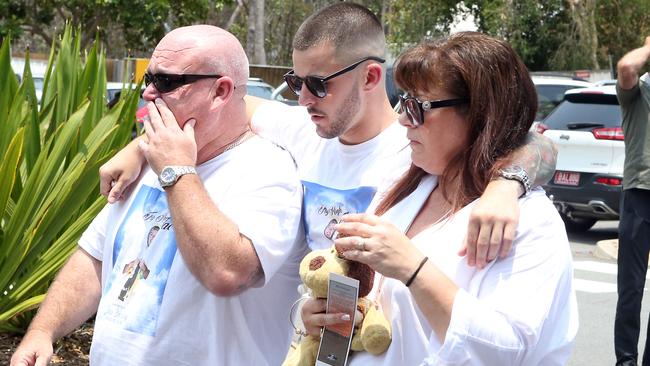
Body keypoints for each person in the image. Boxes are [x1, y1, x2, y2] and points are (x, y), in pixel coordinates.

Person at [99, 3, 558, 270]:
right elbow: (219, 107)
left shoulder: (419, 142)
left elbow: (531, 140)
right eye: (295, 82)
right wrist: (138, 147)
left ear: (370, 76)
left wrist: (506, 185)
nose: (303, 98)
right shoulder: (303, 129)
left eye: (318, 84)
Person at [10, 25, 305, 366]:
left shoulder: (267, 169)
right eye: (148, 79)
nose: (149, 93)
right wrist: (42, 332)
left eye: (166, 82)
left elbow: (228, 274)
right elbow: (96, 258)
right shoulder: (150, 159)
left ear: (221, 91)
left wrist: (176, 171)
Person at [302, 32, 578, 365]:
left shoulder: (528, 220)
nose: (403, 118)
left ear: (479, 112)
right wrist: (318, 315)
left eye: (417, 107)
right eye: (403, 101)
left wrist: (412, 268)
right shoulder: (406, 182)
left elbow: (508, 350)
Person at [614, 36, 650, 366]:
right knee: (631, 289)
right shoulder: (637, 91)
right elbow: (626, 66)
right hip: (640, 194)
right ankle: (625, 361)